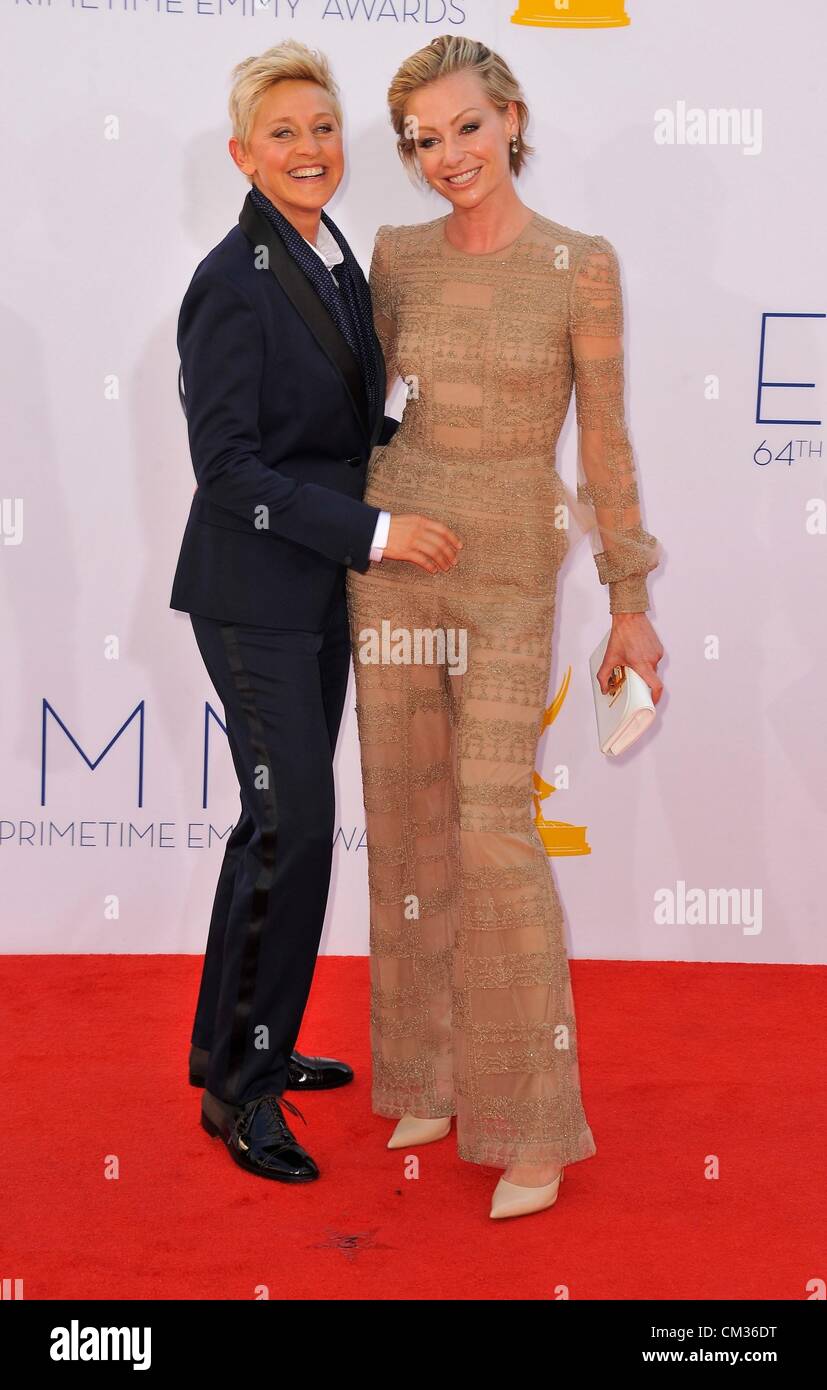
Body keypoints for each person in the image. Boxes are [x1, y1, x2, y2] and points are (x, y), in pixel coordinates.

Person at [345, 34, 665, 1219]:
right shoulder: (395, 257)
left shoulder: (579, 264)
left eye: (464, 128)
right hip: (390, 566)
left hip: (507, 573)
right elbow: (358, 420)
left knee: (490, 830)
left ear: (511, 118)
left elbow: (607, 442)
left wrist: (628, 599)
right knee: (406, 821)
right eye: (423, 141)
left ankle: (529, 1116)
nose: (446, 157)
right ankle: (422, 1074)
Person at [169, 39, 460, 1184]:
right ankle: (239, 1093)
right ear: (243, 154)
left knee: (278, 833)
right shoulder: (228, 278)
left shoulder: (334, 258)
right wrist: (380, 534)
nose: (308, 149)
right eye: (282, 133)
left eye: (323, 129)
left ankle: (241, 1044)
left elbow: (334, 435)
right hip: (252, 601)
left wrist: (431, 466)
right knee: (288, 833)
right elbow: (229, 471)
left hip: (316, 590)